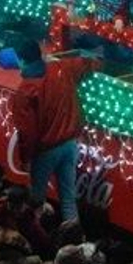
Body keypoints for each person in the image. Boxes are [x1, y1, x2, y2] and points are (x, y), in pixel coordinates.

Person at [9, 41, 95, 225]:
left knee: (36, 200)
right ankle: (74, 239)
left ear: (21, 60)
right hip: (70, 144)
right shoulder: (61, 68)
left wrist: (26, 159)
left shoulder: (26, 90)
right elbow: (90, 61)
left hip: (46, 151)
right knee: (68, 198)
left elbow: (27, 132)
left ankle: (37, 238)